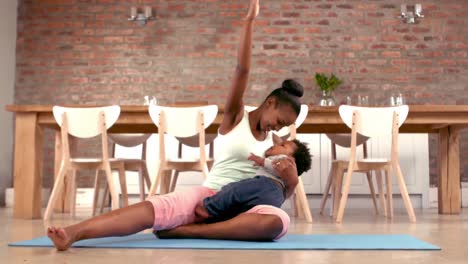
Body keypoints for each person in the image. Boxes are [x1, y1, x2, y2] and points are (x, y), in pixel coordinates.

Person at [47, 0, 305, 251]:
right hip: (211, 197)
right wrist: (249, 21)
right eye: (279, 121)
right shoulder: (236, 116)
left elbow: (275, 192)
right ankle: (74, 233)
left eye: (283, 127)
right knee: (154, 208)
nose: (278, 129)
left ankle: (191, 230)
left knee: (277, 222)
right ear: (270, 102)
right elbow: (242, 70)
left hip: (248, 208)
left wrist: (292, 183)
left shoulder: (275, 145)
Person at [192, 134, 312, 223]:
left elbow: (273, 164)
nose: (275, 145)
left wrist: (260, 160)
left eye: (282, 145)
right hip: (276, 198)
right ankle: (218, 219)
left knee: (234, 189)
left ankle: (208, 207)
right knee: (243, 209)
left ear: (292, 159)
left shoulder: (284, 160)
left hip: (265, 185)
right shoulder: (285, 178)